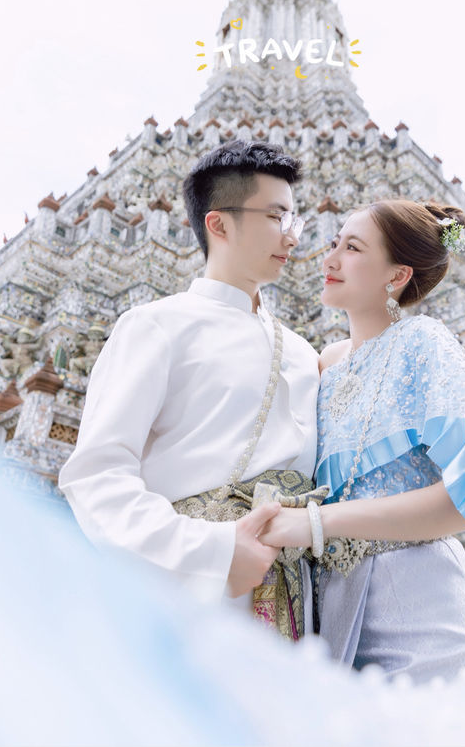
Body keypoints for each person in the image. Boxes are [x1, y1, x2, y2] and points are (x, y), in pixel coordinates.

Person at [259, 197, 465, 682]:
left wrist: (316, 522)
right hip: (329, 607)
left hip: (422, 603)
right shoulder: (320, 366)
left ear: (396, 277)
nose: (328, 259)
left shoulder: (420, 342)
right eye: (333, 243)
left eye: (351, 248)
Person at [58, 140, 320, 639]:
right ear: (218, 223)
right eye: (276, 216)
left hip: (295, 601)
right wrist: (215, 551)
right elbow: (96, 476)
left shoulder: (306, 355)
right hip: (185, 590)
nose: (292, 237)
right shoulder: (157, 326)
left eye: (295, 221)